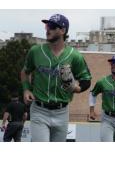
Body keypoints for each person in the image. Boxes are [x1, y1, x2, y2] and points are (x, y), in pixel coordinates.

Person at [21, 14, 92, 142]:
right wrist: (26, 89)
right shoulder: (36, 51)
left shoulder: (74, 56)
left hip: (62, 111)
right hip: (39, 110)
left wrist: (76, 88)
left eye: (53, 27)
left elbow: (86, 80)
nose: (48, 29)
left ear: (63, 31)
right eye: (47, 26)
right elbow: (25, 71)